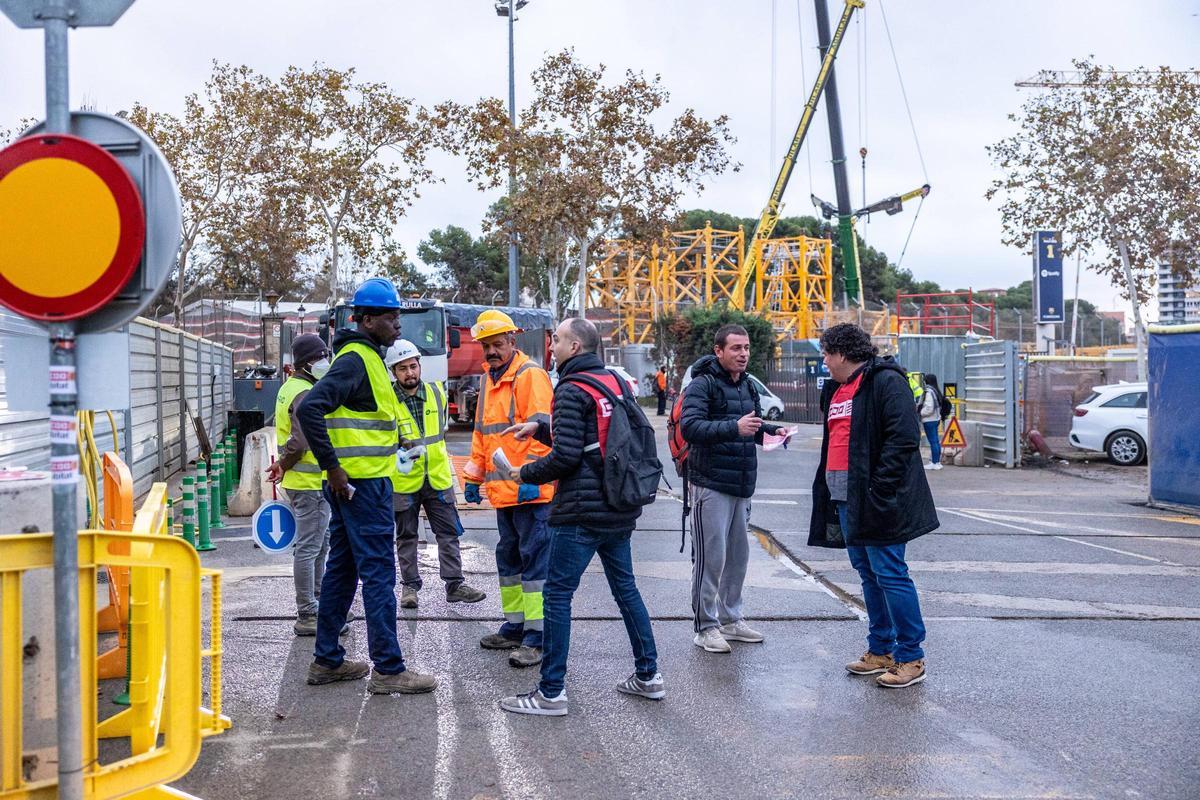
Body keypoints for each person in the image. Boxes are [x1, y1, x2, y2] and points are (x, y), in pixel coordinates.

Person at [498, 318, 662, 717]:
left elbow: (568, 456)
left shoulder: (571, 388)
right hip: (618, 507)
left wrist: (525, 474)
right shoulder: (614, 383)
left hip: (581, 513)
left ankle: (550, 692)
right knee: (627, 592)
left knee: (556, 596)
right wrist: (540, 427)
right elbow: (591, 438)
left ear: (575, 347)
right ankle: (648, 676)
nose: (551, 347)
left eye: (557, 341)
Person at [296, 277, 437, 695]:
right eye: (391, 316)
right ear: (367, 319)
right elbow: (311, 409)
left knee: (342, 569)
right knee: (378, 573)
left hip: (357, 485)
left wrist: (398, 440)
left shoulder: (370, 359)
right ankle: (390, 669)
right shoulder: (356, 359)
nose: (398, 324)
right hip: (362, 488)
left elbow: (371, 419)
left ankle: (327, 660)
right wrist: (333, 469)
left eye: (398, 316)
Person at [808, 323, 938, 689]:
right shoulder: (836, 388)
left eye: (826, 354)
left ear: (842, 354)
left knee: (891, 573)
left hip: (878, 499)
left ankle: (911, 656)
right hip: (845, 497)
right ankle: (880, 649)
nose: (824, 362)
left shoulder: (885, 381)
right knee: (868, 574)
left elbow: (903, 439)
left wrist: (880, 489)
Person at [680, 324, 783, 654]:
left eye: (747, 348)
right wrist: (734, 427)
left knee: (738, 557)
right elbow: (691, 427)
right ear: (718, 351)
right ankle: (705, 626)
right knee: (712, 558)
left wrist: (770, 431)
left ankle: (731, 618)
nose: (743, 354)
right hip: (710, 483)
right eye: (736, 348)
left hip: (741, 484)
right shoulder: (702, 384)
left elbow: (747, 429)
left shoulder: (747, 387)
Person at [461, 309, 555, 669]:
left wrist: (531, 478)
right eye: (487, 346)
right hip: (505, 494)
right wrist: (473, 477)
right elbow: (482, 435)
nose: (491, 352)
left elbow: (542, 430)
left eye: (498, 344)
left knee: (535, 564)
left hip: (531, 494)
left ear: (512, 342)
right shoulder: (489, 380)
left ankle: (537, 636)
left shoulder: (530, 375)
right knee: (510, 560)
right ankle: (515, 627)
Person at [385, 338, 486, 608]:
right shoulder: (386, 400)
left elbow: (438, 435)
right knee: (406, 536)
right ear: (393, 372)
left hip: (437, 477)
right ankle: (409, 588)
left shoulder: (436, 393)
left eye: (413, 366)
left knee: (448, 532)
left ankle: (455, 584)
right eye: (403, 368)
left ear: (419, 365)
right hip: (404, 479)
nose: (410, 372)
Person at [266, 333, 348, 637]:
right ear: (308, 362)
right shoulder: (303, 392)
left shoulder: (290, 387)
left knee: (317, 545)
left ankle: (319, 603)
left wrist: (282, 466)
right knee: (310, 547)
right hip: (309, 481)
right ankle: (308, 611)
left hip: (304, 481)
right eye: (321, 356)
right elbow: (300, 441)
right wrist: (284, 465)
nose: (326, 361)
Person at [917, 373, 945, 471]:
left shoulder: (928, 392)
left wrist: (920, 413)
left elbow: (929, 407)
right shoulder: (936, 391)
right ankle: (937, 461)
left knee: (933, 441)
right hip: (936, 418)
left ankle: (934, 463)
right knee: (936, 441)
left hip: (929, 420)